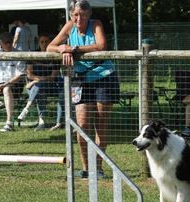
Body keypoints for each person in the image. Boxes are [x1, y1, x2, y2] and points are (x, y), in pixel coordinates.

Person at [46, 0, 120, 179]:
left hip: (103, 75)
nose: (79, 18)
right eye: (76, 15)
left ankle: (99, 167)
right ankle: (87, 168)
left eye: (83, 15)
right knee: (82, 125)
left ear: (89, 15)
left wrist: (75, 49)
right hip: (80, 79)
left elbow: (101, 46)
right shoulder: (69, 26)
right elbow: (50, 47)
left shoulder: (96, 25)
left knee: (101, 124)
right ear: (71, 15)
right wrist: (63, 49)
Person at [17, 33, 64, 131]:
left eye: (46, 42)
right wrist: (37, 81)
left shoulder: (54, 56)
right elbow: (29, 74)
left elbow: (52, 77)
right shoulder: (33, 55)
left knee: (38, 86)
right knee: (39, 88)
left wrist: (34, 81)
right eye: (42, 42)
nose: (44, 44)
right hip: (37, 87)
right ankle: (41, 121)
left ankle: (27, 108)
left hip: (51, 85)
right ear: (38, 43)